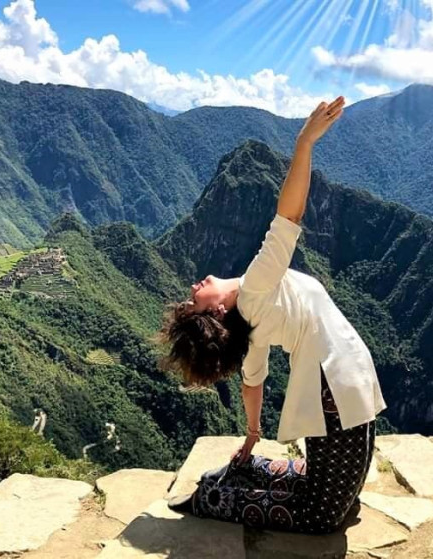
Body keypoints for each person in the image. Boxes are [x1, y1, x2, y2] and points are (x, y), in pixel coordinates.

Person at [158, 96, 386, 534]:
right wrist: (304, 143)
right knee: (322, 516)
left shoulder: (249, 321)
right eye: (195, 301)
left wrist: (251, 435)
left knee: (340, 500)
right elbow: (289, 217)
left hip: (342, 378)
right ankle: (211, 497)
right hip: (335, 383)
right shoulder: (256, 289)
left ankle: (240, 473)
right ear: (217, 311)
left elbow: (253, 380)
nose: (193, 288)